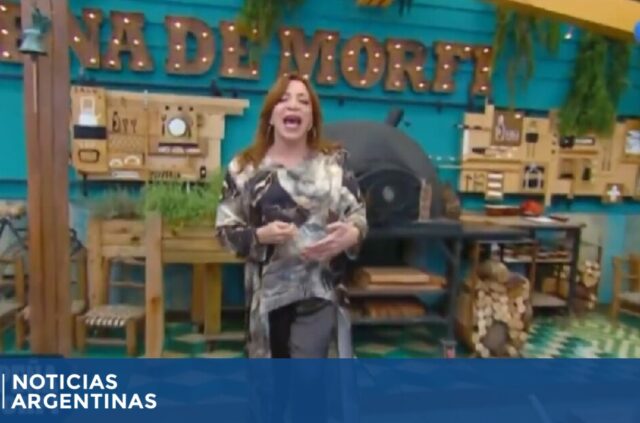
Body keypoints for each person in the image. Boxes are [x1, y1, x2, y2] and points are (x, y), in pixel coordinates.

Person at [215, 73, 368, 358]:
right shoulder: (245, 169)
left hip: (319, 291)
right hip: (267, 298)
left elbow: (358, 214)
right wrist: (260, 235)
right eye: (283, 100)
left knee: (307, 372)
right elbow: (224, 232)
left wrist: (352, 234)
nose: (293, 105)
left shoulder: (334, 165)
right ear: (270, 116)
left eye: (303, 101)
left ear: (311, 120)